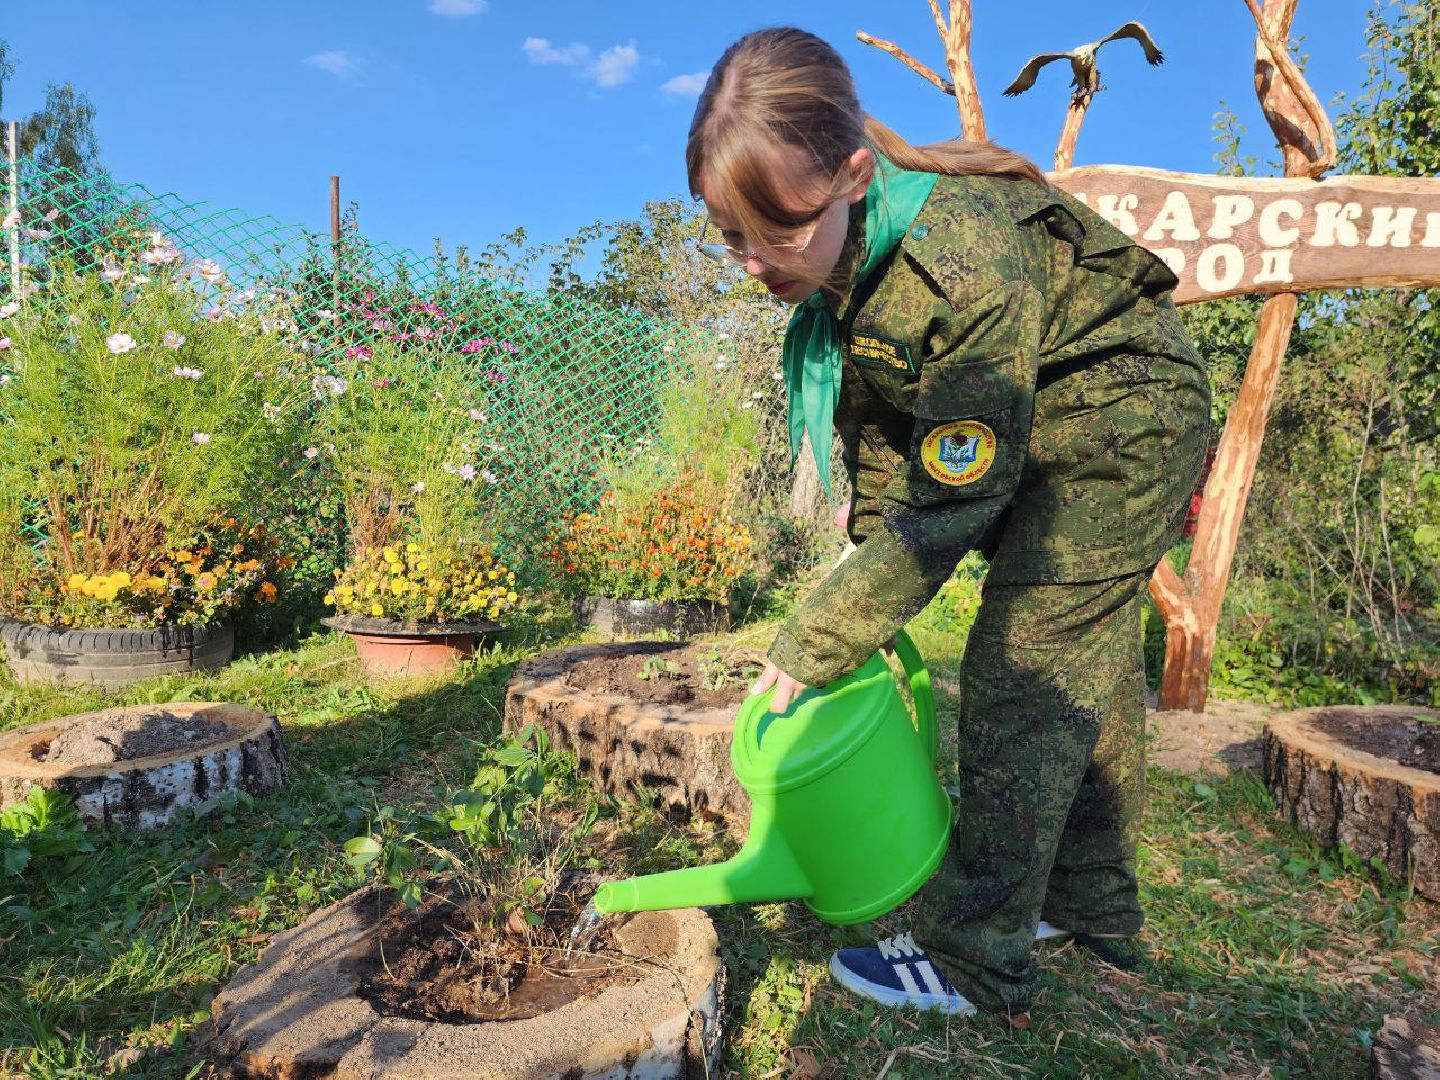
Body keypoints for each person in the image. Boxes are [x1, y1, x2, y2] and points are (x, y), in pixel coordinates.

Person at [686, 27, 1210, 1025]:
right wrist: (862, 550)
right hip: (1049, 423)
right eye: (731, 236)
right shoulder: (854, 256)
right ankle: (1089, 905)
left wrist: (825, 632)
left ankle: (978, 959)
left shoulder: (961, 259)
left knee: (1026, 661)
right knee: (1081, 666)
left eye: (776, 231)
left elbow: (960, 488)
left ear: (848, 176)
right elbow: (891, 422)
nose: (754, 263)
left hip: (1121, 423)